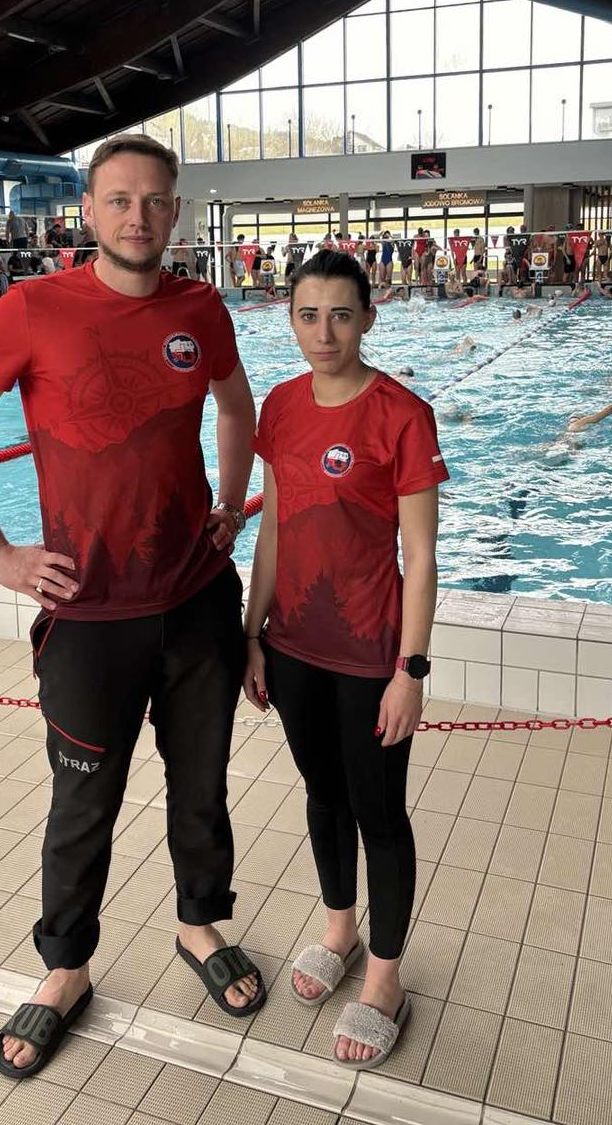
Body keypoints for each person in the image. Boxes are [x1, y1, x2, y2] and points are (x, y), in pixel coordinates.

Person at [0, 135, 263, 1081]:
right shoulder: (34, 307)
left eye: (154, 200)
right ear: (90, 211)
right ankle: (65, 967)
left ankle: (199, 924)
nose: (137, 217)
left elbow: (237, 408)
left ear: (176, 210)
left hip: (196, 597)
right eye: (118, 200)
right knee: (83, 804)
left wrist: (233, 504)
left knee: (202, 783)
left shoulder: (200, 307)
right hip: (89, 614)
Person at [242, 248, 446, 1070]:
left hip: (369, 655)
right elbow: (273, 526)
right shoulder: (282, 406)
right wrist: (252, 632)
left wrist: (411, 670)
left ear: (368, 318)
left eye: (339, 315)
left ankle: (386, 978)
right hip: (293, 645)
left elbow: (421, 557)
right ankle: (339, 930)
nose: (323, 333)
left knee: (379, 814)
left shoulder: (402, 414)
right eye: (307, 315)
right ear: (289, 319)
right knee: (323, 795)